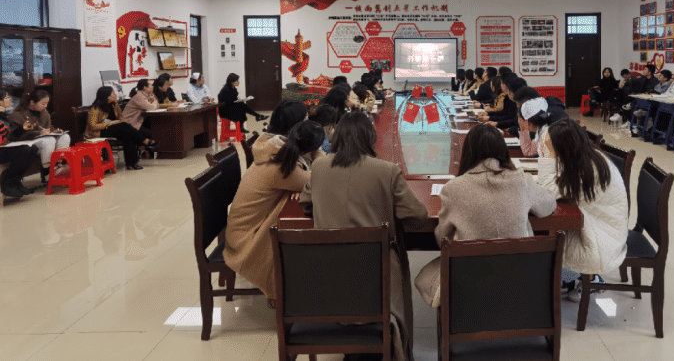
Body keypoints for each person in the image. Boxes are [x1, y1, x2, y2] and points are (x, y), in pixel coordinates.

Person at [299, 112, 427, 361]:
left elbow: (306, 202)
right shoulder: (387, 170)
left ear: (336, 138)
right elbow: (418, 216)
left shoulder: (320, 167)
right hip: (376, 272)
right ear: (371, 138)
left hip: (328, 272)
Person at [414, 124, 556, 308]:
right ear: (503, 151)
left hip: (470, 282)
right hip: (518, 276)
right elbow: (548, 205)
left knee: (427, 275)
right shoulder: (521, 180)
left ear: (468, 153)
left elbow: (442, 239)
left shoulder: (454, 188)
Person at [224, 119, 323, 301]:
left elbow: (304, 182)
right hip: (246, 239)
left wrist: (298, 186)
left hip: (240, 227)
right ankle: (298, 293)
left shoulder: (276, 150)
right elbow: (322, 180)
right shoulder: (285, 167)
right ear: (310, 150)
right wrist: (319, 155)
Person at [538, 119, 628, 301]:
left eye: (551, 145)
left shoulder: (589, 171)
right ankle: (572, 277)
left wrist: (549, 156)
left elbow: (548, 192)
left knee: (545, 247)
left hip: (602, 239)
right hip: (597, 224)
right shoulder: (588, 158)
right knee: (545, 237)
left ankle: (590, 279)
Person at [84, 86, 156, 170]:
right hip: (98, 131)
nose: (115, 94)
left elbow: (120, 117)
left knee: (127, 136)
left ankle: (132, 164)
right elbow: (93, 126)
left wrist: (117, 122)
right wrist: (111, 123)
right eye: (113, 93)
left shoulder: (114, 104)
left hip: (114, 128)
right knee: (124, 126)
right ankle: (144, 141)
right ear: (107, 96)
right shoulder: (95, 109)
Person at [8, 90, 71, 178]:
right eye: (43, 103)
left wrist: (54, 131)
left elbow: (48, 127)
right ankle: (47, 172)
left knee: (65, 137)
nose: (45, 106)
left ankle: (59, 166)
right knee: (49, 140)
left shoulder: (44, 112)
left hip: (42, 139)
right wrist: (39, 133)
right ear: (32, 103)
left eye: (47, 103)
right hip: (26, 141)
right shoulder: (17, 114)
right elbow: (16, 135)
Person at [0, 89, 41, 198]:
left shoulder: (4, 115)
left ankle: (16, 181)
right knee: (25, 150)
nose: (10, 99)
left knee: (33, 148)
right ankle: (8, 182)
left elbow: (10, 135)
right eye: (7, 97)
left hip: (5, 146)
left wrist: (22, 128)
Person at [516, 91, 554, 158]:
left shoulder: (546, 136)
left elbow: (528, 151)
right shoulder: (542, 131)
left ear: (528, 122)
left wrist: (523, 128)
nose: (518, 121)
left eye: (519, 118)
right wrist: (522, 129)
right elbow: (529, 150)